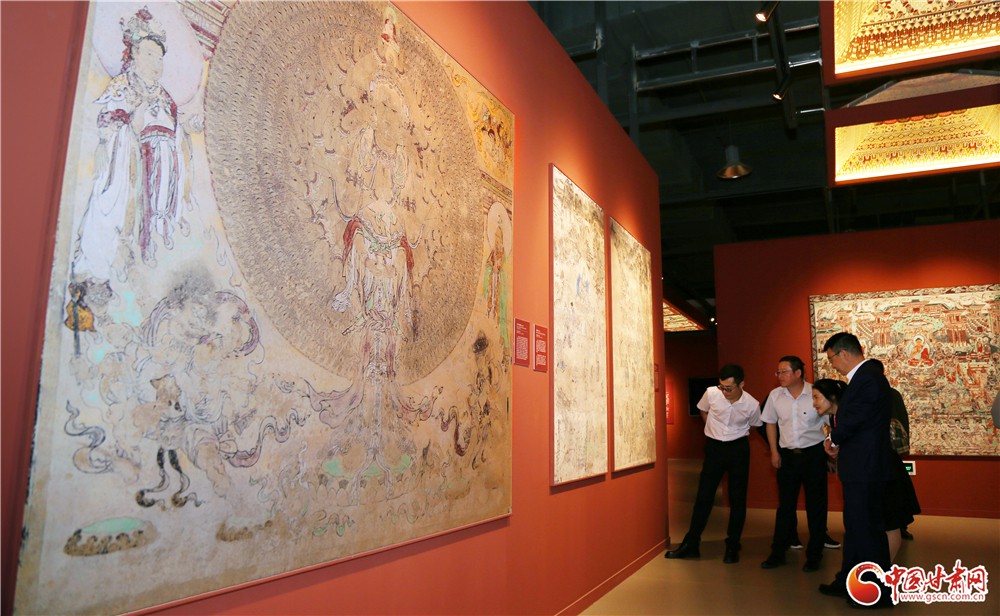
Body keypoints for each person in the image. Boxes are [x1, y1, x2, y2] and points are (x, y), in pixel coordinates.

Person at [818, 333, 893, 608]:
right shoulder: (864, 378)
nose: (832, 365)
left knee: (867, 530)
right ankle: (848, 581)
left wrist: (834, 438)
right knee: (855, 528)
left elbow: (857, 419)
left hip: (866, 468)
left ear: (844, 354)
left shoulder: (869, 379)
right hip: (859, 466)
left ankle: (877, 593)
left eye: (832, 359)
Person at [813, 377, 921, 564]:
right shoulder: (838, 418)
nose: (813, 403)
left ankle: (881, 572)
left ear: (832, 397)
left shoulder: (851, 416)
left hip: (884, 472)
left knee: (889, 524)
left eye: (816, 397)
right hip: (868, 475)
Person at [666, 364, 762, 564]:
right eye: (721, 387)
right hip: (714, 448)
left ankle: (733, 545)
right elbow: (703, 411)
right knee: (704, 496)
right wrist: (712, 429)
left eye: (729, 388)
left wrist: (733, 435)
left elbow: (753, 426)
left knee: (737, 499)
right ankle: (691, 543)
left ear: (741, 384)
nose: (724, 392)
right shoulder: (711, 393)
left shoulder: (752, 404)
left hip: (738, 450)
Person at [760, 356, 829, 572]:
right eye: (778, 372)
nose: (779, 376)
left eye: (784, 372)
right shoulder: (775, 396)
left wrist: (831, 446)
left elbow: (829, 422)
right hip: (788, 457)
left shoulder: (815, 393)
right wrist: (774, 451)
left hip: (814, 455)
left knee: (816, 506)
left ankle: (815, 554)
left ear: (798, 373)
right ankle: (778, 552)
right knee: (785, 506)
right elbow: (770, 424)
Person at [888, 387, 914, 541]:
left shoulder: (891, 395)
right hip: (883, 455)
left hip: (891, 454)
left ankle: (900, 526)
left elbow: (901, 422)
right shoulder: (892, 394)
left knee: (897, 492)